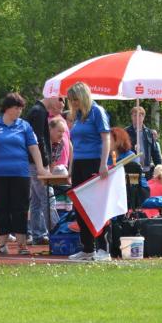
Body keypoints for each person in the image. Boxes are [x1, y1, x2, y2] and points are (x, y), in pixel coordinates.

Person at [0, 92, 50, 257]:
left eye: (21, 108)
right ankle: (2, 245)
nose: (19, 111)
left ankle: (22, 244)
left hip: (20, 174)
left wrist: (40, 167)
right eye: (17, 108)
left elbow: (34, 148)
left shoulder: (25, 126)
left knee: (20, 208)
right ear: (7, 108)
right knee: (0, 208)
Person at [66, 82, 111, 262]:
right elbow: (74, 145)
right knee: (80, 206)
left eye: (75, 99)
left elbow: (106, 138)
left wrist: (103, 163)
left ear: (83, 97)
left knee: (96, 206)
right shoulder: (78, 116)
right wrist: (71, 168)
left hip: (94, 163)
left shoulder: (97, 112)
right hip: (79, 163)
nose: (73, 103)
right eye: (71, 100)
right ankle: (87, 248)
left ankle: (103, 248)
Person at [26, 95, 64, 245]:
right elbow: (38, 140)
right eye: (60, 99)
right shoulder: (39, 111)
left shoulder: (38, 111)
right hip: (37, 163)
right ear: (51, 96)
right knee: (48, 197)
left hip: (34, 162)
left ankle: (38, 234)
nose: (62, 103)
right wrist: (44, 163)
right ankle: (58, 232)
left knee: (36, 200)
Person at [126, 106, 162, 178]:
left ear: (143, 117)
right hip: (132, 170)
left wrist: (160, 169)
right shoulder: (126, 132)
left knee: (146, 185)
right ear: (131, 117)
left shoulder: (149, 132)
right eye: (135, 115)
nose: (137, 118)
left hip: (146, 170)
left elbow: (155, 152)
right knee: (133, 185)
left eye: (140, 115)